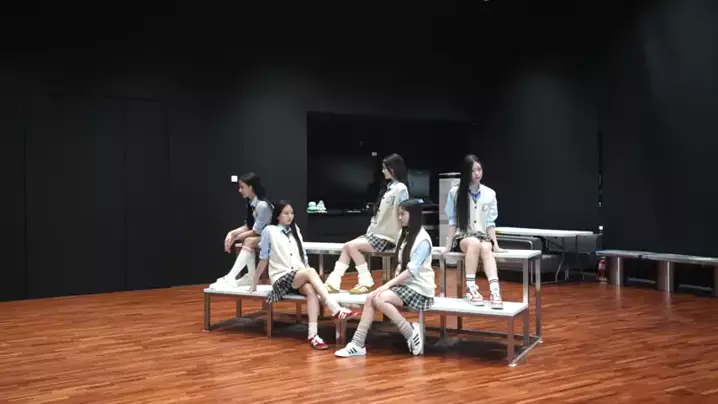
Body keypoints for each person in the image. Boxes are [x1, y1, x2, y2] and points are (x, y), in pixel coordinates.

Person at [251, 200, 358, 349]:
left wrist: (309, 277)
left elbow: (304, 258)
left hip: (297, 276)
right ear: (278, 216)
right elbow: (264, 258)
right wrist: (254, 281)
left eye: (292, 213)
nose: (290, 216)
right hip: (281, 278)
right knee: (311, 271)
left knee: (310, 290)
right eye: (286, 213)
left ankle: (313, 335)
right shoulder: (269, 230)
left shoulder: (295, 230)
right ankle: (335, 308)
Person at [335, 199, 434, 357]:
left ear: (413, 215)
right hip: (404, 286)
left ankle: (409, 332)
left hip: (419, 289)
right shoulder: (404, 233)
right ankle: (357, 343)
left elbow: (411, 272)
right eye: (399, 214)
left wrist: (387, 285)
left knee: (378, 298)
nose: (400, 217)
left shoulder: (423, 240)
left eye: (403, 214)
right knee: (371, 297)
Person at [324, 153, 410, 294]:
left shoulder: (400, 189)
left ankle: (366, 281)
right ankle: (333, 282)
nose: (383, 171)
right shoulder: (389, 188)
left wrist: (405, 238)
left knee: (351, 246)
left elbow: (405, 212)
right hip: (377, 234)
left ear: (393, 169)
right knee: (347, 247)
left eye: (385, 168)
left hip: (388, 237)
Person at [444, 155, 505, 309]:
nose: (477, 174)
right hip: (463, 237)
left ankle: (495, 291)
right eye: (473, 171)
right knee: (474, 243)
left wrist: (496, 245)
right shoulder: (455, 193)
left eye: (479, 169)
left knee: (486, 246)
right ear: (466, 173)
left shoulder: (490, 194)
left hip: (482, 236)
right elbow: (452, 221)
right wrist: (448, 246)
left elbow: (490, 223)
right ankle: (471, 288)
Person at [210, 172, 273, 289]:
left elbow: (256, 231)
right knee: (247, 240)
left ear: (251, 187)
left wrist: (235, 238)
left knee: (248, 240)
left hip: (275, 236)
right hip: (265, 235)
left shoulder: (263, 206)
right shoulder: (252, 203)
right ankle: (250, 276)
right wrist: (232, 233)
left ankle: (230, 277)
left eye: (242, 187)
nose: (240, 190)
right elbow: (249, 226)